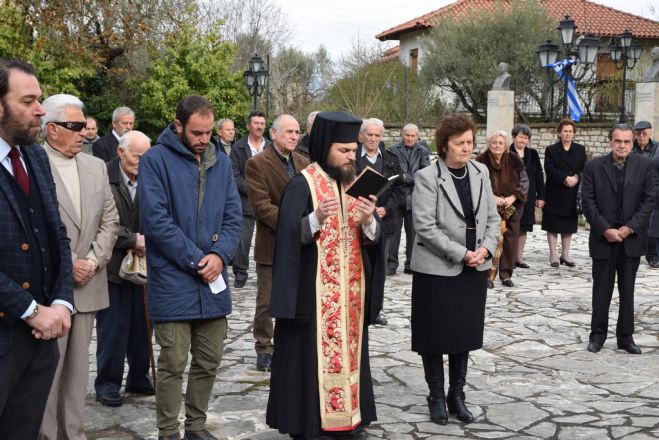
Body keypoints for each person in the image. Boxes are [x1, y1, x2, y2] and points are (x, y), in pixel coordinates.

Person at [266, 111, 386, 439]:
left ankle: (349, 419)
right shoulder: (302, 184)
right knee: (310, 363)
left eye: (353, 150)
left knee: (351, 360)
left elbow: (375, 239)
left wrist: (369, 221)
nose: (351, 157)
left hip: (350, 298)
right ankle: (311, 424)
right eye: (344, 151)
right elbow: (288, 238)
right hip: (313, 299)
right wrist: (315, 218)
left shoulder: (357, 183)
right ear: (324, 147)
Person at [139, 95, 242, 440]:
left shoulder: (221, 161)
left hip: (213, 279)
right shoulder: (154, 160)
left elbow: (232, 217)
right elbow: (155, 220)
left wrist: (220, 255)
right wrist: (198, 259)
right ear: (178, 125)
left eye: (209, 132)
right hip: (172, 279)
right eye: (197, 132)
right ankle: (169, 432)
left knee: (209, 359)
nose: (204, 139)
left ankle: (195, 427)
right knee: (172, 363)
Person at [0, 58, 74, 440]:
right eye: (28, 101)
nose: (41, 110)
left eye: (40, 99)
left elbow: (57, 236)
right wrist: (29, 310)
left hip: (41, 344)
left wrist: (61, 303)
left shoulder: (35, 156)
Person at [411, 114, 499, 425]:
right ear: (444, 145)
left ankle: (456, 394)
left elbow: (493, 218)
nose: (466, 148)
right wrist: (462, 254)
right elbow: (425, 226)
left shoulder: (481, 172)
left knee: (464, 334)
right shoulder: (427, 176)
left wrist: (486, 249)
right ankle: (435, 395)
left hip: (474, 268)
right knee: (434, 335)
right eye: (459, 143)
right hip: (437, 269)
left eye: (470, 143)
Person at [40, 94, 119, 440]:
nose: (83, 132)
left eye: (84, 125)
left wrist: (91, 261)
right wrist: (70, 263)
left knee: (76, 372)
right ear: (52, 129)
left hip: (88, 285)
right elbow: (37, 226)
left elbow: (111, 219)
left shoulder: (95, 166)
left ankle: (73, 433)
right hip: (47, 290)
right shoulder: (32, 163)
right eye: (74, 126)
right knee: (46, 372)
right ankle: (44, 433)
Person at [582, 123, 654, 355]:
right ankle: (597, 336)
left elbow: (649, 200)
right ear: (610, 141)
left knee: (628, 290)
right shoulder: (593, 167)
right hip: (603, 239)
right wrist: (605, 229)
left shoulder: (646, 166)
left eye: (626, 141)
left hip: (630, 240)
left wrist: (629, 229)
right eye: (618, 141)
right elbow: (588, 202)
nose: (622, 145)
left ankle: (626, 337)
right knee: (601, 290)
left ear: (632, 143)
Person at [245, 114, 309, 372]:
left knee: (297, 296)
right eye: (289, 132)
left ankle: (290, 344)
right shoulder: (257, 164)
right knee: (267, 300)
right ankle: (264, 347)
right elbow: (262, 208)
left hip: (302, 243)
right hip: (272, 242)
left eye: (297, 132)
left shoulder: (305, 162)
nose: (295, 136)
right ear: (273, 134)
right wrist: (297, 224)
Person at [94, 130, 153, 407]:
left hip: (144, 267)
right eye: (137, 156)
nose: (142, 161)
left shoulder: (152, 177)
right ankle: (108, 383)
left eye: (146, 156)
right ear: (120, 153)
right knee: (113, 329)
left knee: (143, 326)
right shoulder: (102, 176)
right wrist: (132, 239)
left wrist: (150, 238)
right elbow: (98, 222)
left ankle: (139, 377)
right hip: (112, 267)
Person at [356, 117, 404, 324]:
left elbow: (400, 189)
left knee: (379, 267)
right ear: (362, 136)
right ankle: (357, 307)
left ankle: (374, 310)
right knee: (358, 266)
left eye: (377, 135)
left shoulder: (391, 159)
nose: (373, 139)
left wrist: (386, 208)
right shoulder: (352, 157)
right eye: (370, 135)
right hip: (357, 220)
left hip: (383, 221)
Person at [476, 131, 528, 288]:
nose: (497, 145)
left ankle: (506, 274)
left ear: (505, 145)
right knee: (490, 241)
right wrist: (492, 198)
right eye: (494, 142)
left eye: (500, 142)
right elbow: (476, 184)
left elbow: (524, 181)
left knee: (510, 241)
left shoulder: (514, 159)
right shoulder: (480, 160)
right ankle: (487, 275)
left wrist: (513, 197)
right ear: (489, 144)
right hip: (489, 208)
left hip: (511, 207)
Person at [230, 110, 270, 288]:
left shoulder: (271, 147)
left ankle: (267, 272)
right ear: (248, 126)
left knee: (269, 237)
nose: (259, 126)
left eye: (262, 123)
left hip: (268, 200)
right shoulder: (238, 148)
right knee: (242, 239)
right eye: (256, 123)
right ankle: (240, 271)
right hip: (245, 201)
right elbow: (234, 174)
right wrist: (251, 190)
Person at [542, 118, 586, 267]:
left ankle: (565, 254)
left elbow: (585, 168)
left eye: (570, 131)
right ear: (559, 133)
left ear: (574, 133)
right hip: (555, 192)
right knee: (553, 225)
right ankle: (553, 254)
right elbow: (549, 168)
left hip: (572, 193)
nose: (567, 134)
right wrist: (565, 178)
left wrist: (577, 178)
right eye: (565, 131)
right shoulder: (551, 150)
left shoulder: (580, 149)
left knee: (568, 226)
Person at [387, 123, 430, 274]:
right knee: (393, 233)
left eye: (413, 136)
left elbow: (425, 174)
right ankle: (391, 265)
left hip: (416, 198)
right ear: (402, 135)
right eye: (407, 135)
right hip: (396, 197)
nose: (410, 138)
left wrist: (406, 177)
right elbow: (391, 174)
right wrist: (404, 177)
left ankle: (411, 264)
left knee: (413, 234)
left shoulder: (423, 151)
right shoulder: (392, 150)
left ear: (417, 137)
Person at [509, 124, 545, 268]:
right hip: (511, 195)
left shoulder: (533, 154)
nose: (522, 140)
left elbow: (538, 175)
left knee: (524, 227)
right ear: (514, 137)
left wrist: (541, 196)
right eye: (520, 137)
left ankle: (519, 257)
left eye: (525, 138)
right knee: (512, 227)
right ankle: (509, 258)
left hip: (528, 196)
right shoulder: (507, 153)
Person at [632, 120, 659, 267]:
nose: (641, 136)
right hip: (634, 192)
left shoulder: (657, 148)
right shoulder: (631, 148)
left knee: (652, 225)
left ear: (650, 133)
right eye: (638, 133)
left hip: (653, 192)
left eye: (644, 133)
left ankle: (652, 255)